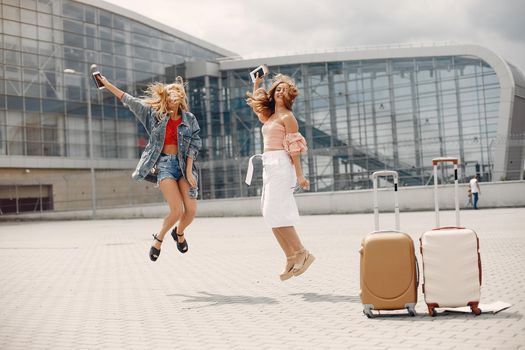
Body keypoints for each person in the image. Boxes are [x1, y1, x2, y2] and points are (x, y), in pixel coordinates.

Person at [97, 75, 201, 261]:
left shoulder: (190, 119)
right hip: (164, 166)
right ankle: (158, 239)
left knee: (191, 211)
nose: (173, 94)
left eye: (176, 91)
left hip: (185, 166)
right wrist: (106, 84)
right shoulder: (154, 115)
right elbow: (128, 99)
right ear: (165, 96)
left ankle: (178, 233)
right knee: (176, 210)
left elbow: (195, 143)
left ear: (181, 97)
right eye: (169, 92)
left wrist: (188, 170)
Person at [245, 73, 315, 281]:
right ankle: (291, 256)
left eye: (284, 90)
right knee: (269, 214)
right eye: (278, 89)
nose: (280, 91)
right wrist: (257, 84)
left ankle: (302, 252)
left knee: (277, 213)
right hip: (269, 165)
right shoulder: (270, 116)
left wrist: (300, 175)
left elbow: (294, 149)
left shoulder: (288, 118)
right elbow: (257, 106)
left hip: (282, 166)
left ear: (289, 96)